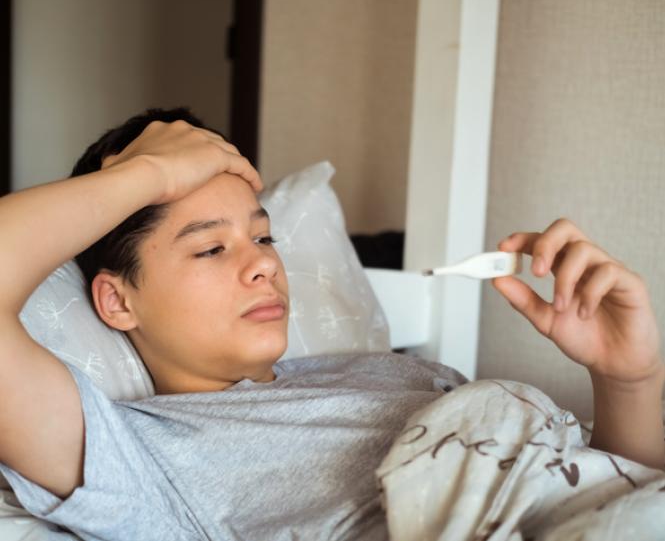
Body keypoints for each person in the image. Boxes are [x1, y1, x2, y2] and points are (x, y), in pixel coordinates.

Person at [0, 108, 662, 541]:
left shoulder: (398, 371)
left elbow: (601, 490)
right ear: (117, 302)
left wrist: (626, 377)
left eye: (263, 238)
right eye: (210, 247)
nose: (260, 265)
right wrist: (150, 172)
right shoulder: (140, 457)